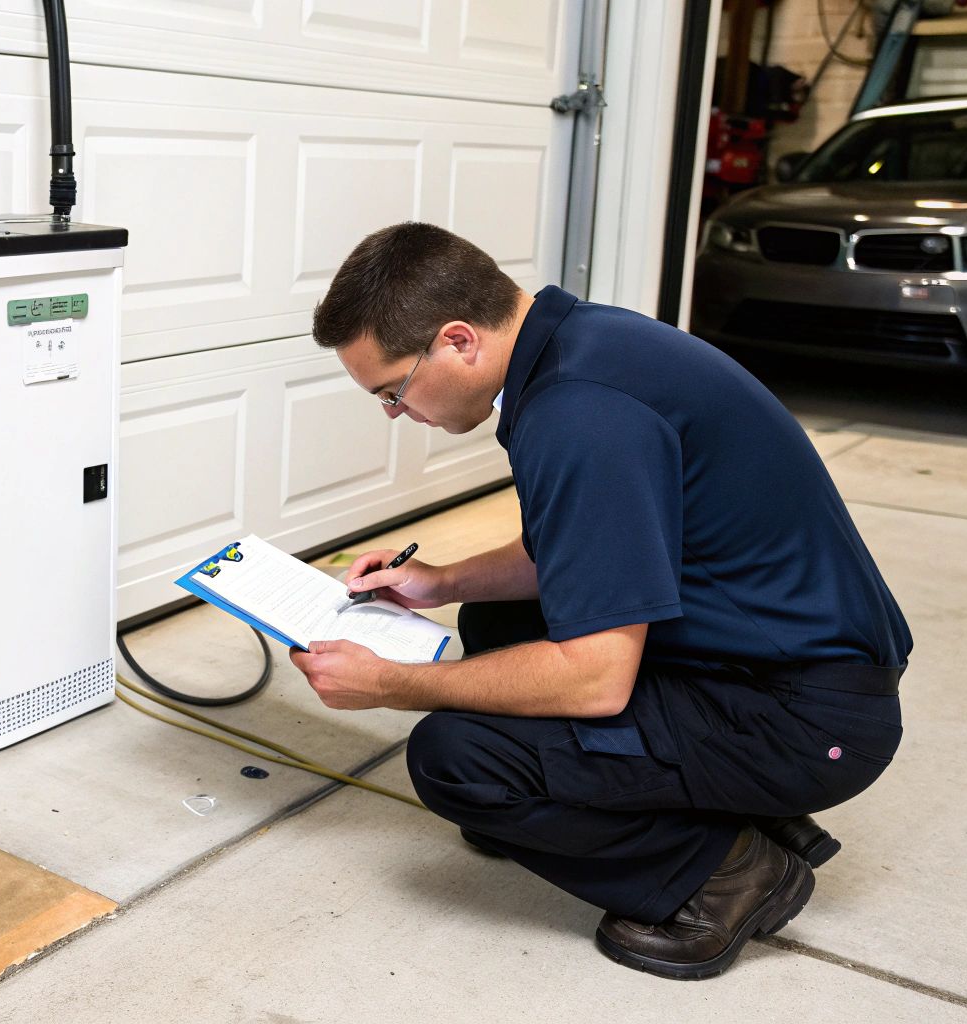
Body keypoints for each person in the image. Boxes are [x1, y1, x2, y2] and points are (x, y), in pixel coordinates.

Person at [289, 222, 909, 980]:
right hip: (777, 664)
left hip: (803, 720)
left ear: (457, 341)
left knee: (458, 759)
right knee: (496, 620)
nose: (394, 413)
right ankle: (664, 796)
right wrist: (442, 582)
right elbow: (588, 546)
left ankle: (727, 870)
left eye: (393, 390)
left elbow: (596, 678)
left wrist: (390, 685)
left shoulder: (579, 414)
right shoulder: (583, 346)